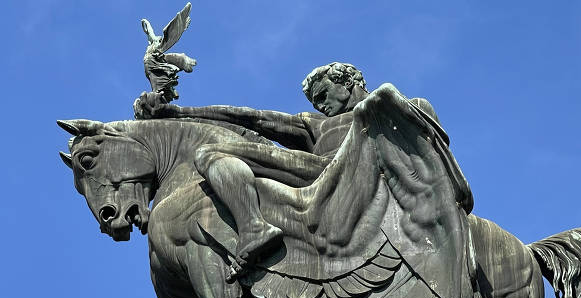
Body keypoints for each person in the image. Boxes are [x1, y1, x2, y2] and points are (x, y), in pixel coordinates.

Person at [135, 62, 442, 280]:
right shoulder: (316, 125)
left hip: (357, 178)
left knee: (208, 153)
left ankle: (255, 228)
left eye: (323, 95)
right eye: (315, 101)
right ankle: (253, 226)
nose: (321, 106)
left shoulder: (397, 106)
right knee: (209, 153)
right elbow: (256, 119)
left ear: (348, 83)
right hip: (320, 177)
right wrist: (180, 113)